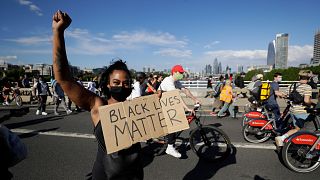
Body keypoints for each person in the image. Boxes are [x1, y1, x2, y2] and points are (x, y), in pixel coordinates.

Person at [52, 10, 143, 179]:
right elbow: (64, 79)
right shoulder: (98, 105)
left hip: (135, 175)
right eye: (116, 83)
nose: (122, 86)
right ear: (107, 85)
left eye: (126, 83)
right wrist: (58, 32)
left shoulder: (137, 108)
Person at [157, 64, 199, 158]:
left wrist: (195, 99)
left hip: (169, 106)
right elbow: (176, 97)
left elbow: (185, 90)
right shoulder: (168, 81)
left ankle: (170, 140)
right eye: (180, 73)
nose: (181, 74)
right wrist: (187, 108)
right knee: (175, 123)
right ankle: (170, 147)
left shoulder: (176, 81)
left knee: (180, 120)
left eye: (182, 73)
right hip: (162, 106)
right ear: (174, 72)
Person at [275, 70, 313, 146]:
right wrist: (310, 104)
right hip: (301, 111)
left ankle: (282, 138)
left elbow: (284, 95)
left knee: (296, 128)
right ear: (309, 79)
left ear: (299, 77)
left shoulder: (292, 85)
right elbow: (306, 100)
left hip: (292, 110)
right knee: (310, 127)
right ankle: (306, 144)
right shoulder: (307, 87)